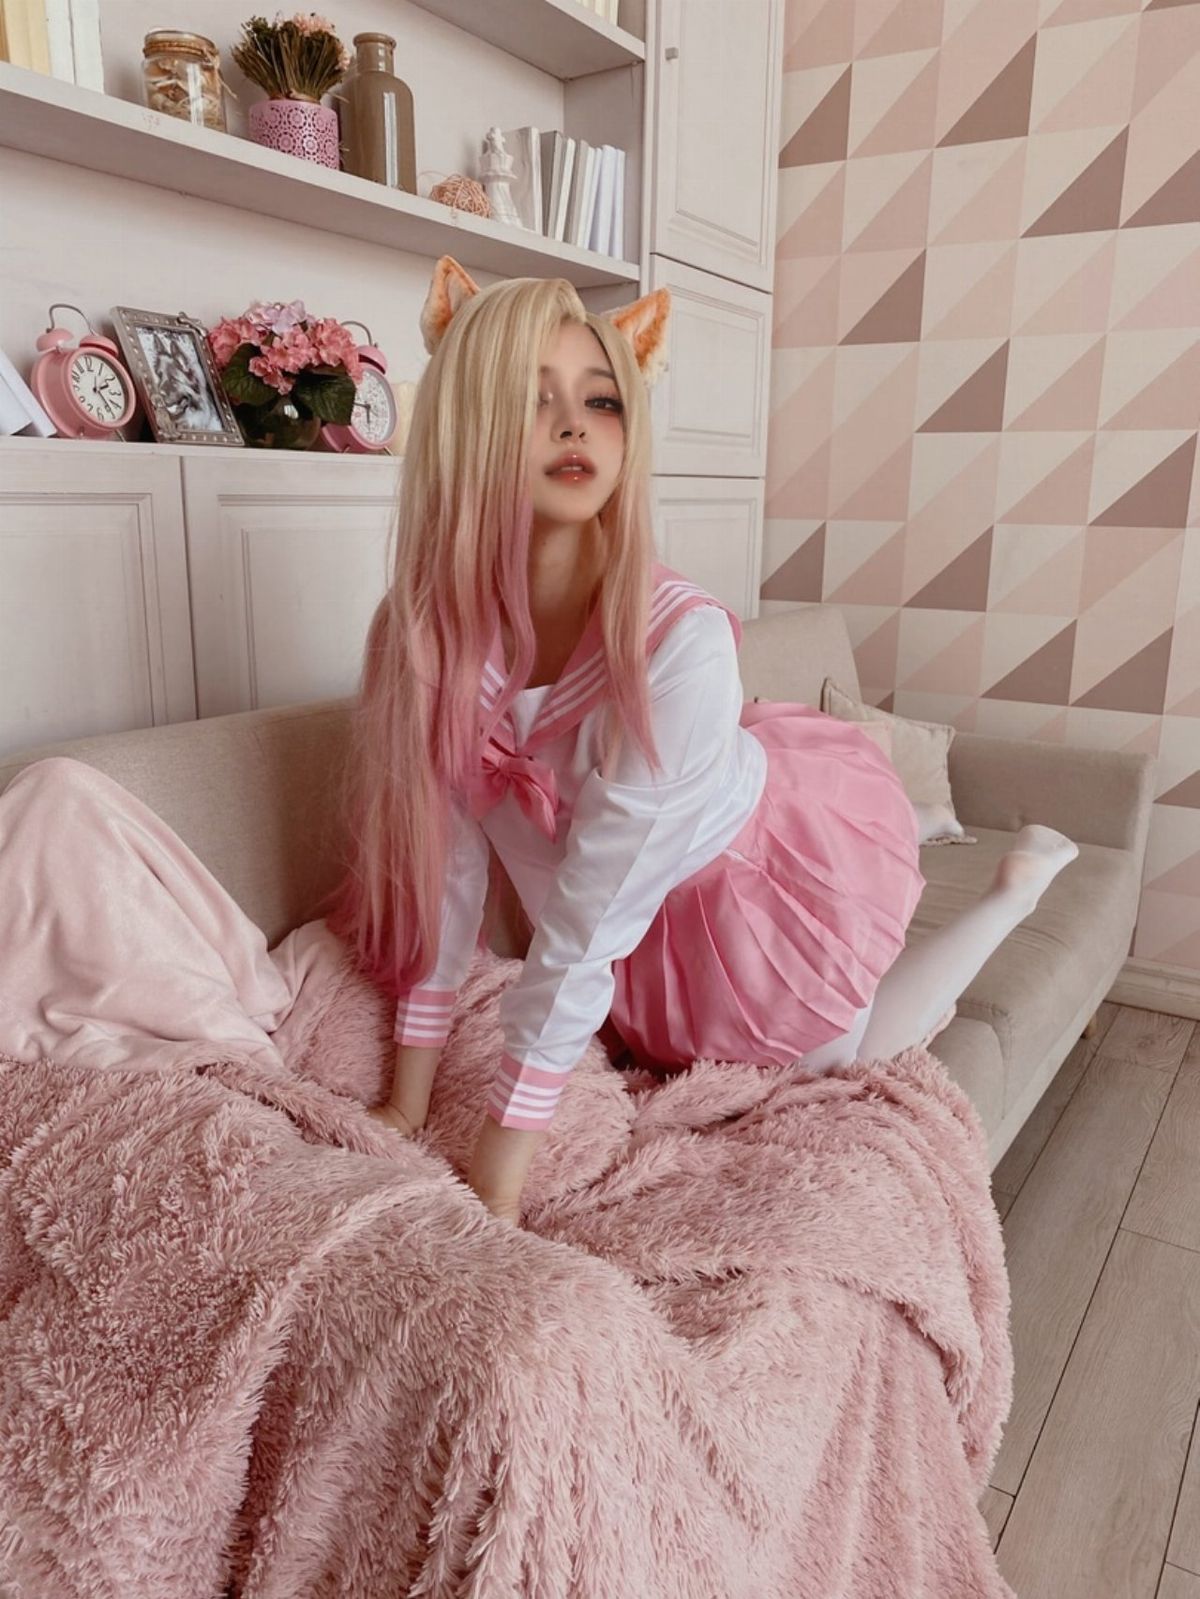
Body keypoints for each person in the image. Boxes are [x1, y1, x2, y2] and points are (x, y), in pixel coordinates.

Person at [325, 254, 1080, 1226]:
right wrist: (407, 1100)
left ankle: (1015, 890)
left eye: (602, 402)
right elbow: (448, 877)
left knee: (835, 1054)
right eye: (532, 398)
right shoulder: (421, 638)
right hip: (630, 918)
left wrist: (498, 1174)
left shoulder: (678, 643)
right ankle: (932, 826)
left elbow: (590, 919)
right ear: (465, 422)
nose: (573, 426)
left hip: (743, 879)